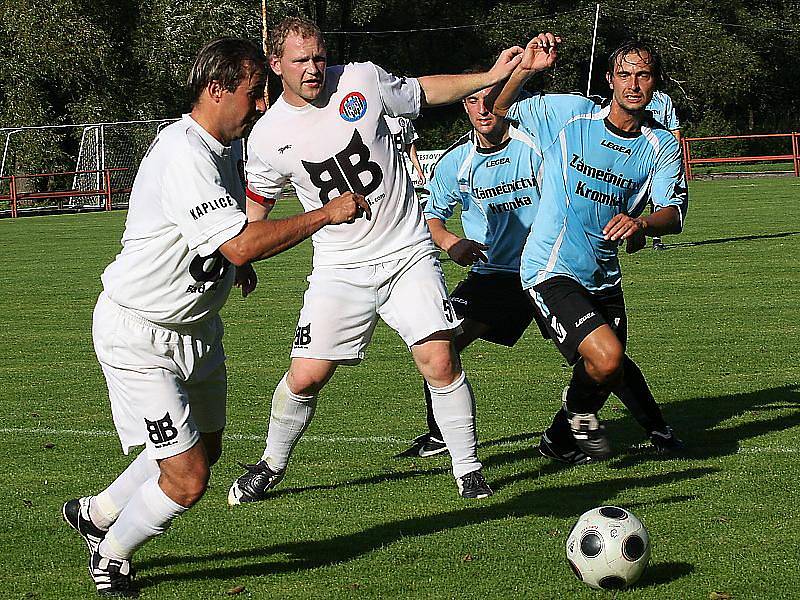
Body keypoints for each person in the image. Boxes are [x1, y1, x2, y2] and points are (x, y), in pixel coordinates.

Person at [62, 38, 369, 597]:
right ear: (216, 89)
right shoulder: (183, 152)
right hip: (140, 335)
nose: (260, 106)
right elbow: (238, 243)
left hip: (197, 330)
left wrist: (232, 267)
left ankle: (100, 512)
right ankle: (111, 554)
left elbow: (221, 240)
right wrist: (326, 213)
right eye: (254, 95)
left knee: (205, 447)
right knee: (188, 478)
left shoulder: (225, 149)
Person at [227, 16, 525, 503]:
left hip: (406, 252)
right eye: (300, 60)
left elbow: (423, 92)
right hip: (340, 268)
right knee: (306, 376)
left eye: (319, 56)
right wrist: (244, 259)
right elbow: (256, 209)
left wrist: (489, 77)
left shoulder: (361, 78)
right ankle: (270, 464)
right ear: (275, 64)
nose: (313, 68)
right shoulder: (266, 136)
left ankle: (468, 470)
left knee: (439, 359)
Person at [492, 35, 688, 461]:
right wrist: (526, 70)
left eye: (643, 75)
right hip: (550, 267)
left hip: (602, 274)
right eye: (624, 74)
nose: (633, 84)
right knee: (606, 356)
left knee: (611, 366)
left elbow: (674, 213)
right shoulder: (572, 116)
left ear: (656, 83)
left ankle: (562, 441)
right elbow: (500, 108)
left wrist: (641, 223)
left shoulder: (661, 145)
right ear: (610, 80)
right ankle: (582, 418)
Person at [402, 78, 543, 458]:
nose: (483, 109)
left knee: (594, 355)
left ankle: (636, 426)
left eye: (491, 99)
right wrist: (452, 243)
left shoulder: (535, 146)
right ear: (463, 106)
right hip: (491, 278)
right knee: (440, 341)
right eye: (473, 100)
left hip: (547, 272)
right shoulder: (455, 161)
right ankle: (439, 436)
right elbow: (431, 217)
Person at [646, 90, 681, 250]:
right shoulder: (633, 95)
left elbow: (674, 127)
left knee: (660, 197)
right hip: (638, 154)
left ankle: (656, 238)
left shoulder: (664, 99)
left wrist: (675, 153)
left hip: (661, 158)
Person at [385, 115, 426, 186]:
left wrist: (419, 171)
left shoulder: (405, 118)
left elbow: (409, 145)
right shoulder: (378, 117)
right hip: (382, 173)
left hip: (401, 172)